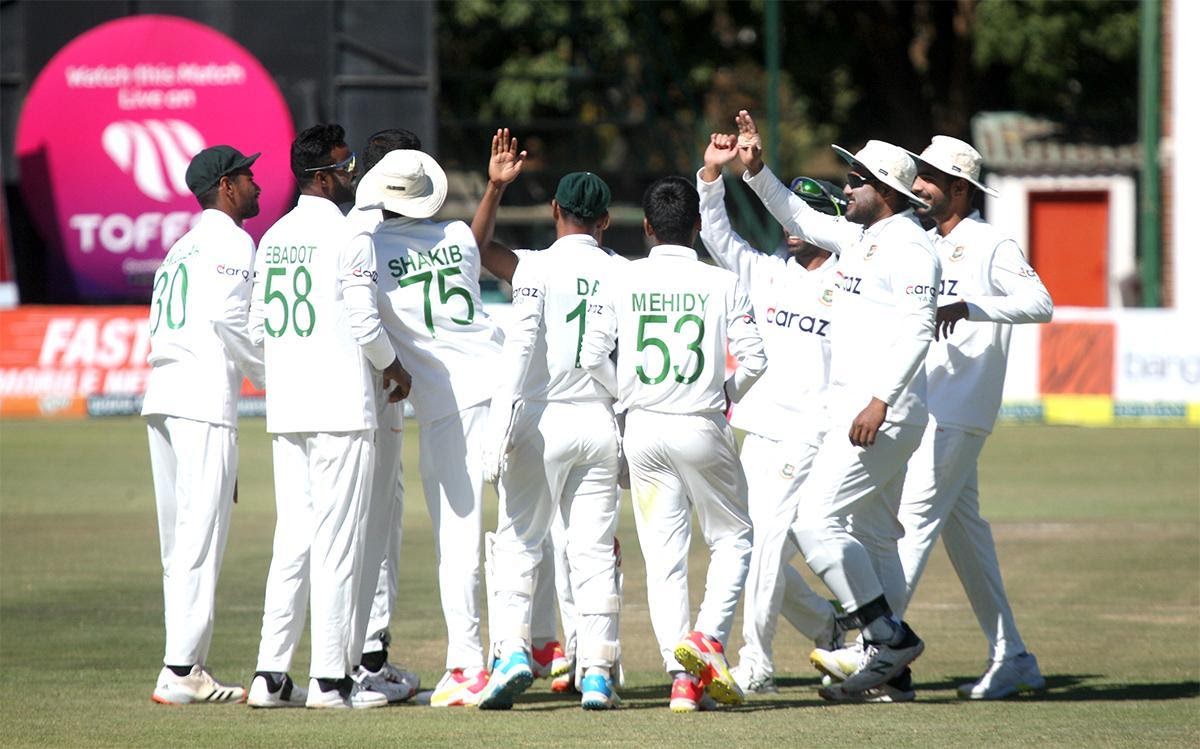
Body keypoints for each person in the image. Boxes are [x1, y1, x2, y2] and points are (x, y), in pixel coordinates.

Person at [736, 110, 939, 701]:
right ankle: (892, 675)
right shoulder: (865, 237)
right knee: (875, 539)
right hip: (855, 412)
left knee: (814, 520)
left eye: (856, 181)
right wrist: (756, 171)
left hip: (881, 414)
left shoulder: (911, 246)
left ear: (885, 193)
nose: (845, 188)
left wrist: (880, 401)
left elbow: (920, 329)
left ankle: (884, 637)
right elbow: (797, 215)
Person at [581, 176, 766, 712]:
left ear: (646, 227)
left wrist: (629, 395)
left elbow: (593, 355)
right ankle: (705, 639)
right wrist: (727, 393)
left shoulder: (622, 280)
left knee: (664, 557)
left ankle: (681, 682)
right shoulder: (723, 281)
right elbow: (755, 360)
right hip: (702, 422)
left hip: (642, 427)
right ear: (699, 226)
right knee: (734, 538)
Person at [246, 124, 410, 709]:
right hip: (341, 405)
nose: (353, 177)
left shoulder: (273, 237)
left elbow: (259, 326)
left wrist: (285, 378)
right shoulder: (350, 235)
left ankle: (269, 674)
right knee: (339, 542)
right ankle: (330, 681)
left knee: (293, 538)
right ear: (322, 177)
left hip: (288, 406)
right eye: (346, 169)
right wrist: (396, 371)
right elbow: (366, 324)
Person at [358, 142, 517, 707]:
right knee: (524, 528)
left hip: (451, 403)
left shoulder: (368, 249)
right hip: (507, 383)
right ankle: (535, 649)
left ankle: (467, 665)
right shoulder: (455, 237)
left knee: (458, 539)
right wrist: (494, 189)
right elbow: (474, 246)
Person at [897, 136, 1051, 698]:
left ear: (960, 188)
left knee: (911, 525)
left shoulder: (989, 242)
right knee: (967, 538)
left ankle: (875, 650)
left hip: (961, 409)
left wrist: (971, 306)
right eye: (918, 174)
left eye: (929, 178)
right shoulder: (918, 242)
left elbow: (1040, 302)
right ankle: (1014, 656)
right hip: (926, 406)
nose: (917, 185)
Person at [695, 133, 843, 695]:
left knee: (767, 545)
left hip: (809, 432)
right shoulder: (768, 271)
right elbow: (716, 236)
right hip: (756, 429)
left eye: (804, 216)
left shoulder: (848, 281)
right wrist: (712, 177)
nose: (790, 226)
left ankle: (756, 661)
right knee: (753, 547)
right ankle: (829, 626)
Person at [476, 172, 626, 710]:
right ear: (605, 220)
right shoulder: (623, 273)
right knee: (590, 553)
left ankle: (514, 652)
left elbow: (477, 255)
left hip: (538, 418)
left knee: (517, 542)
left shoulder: (533, 266)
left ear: (555, 209)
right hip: (597, 421)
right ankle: (599, 672)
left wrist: (500, 427)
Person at [143, 145, 265, 705]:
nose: (257, 184)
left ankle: (180, 663)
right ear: (226, 186)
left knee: (180, 540)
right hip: (200, 396)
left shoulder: (180, 247)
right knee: (200, 536)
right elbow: (228, 318)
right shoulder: (232, 241)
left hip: (164, 394)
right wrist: (273, 377)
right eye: (248, 175)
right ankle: (182, 668)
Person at [344, 127, 425, 701]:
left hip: (337, 394)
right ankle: (365, 659)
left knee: (349, 526)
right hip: (378, 392)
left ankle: (352, 657)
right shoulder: (381, 231)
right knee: (376, 524)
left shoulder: (345, 225)